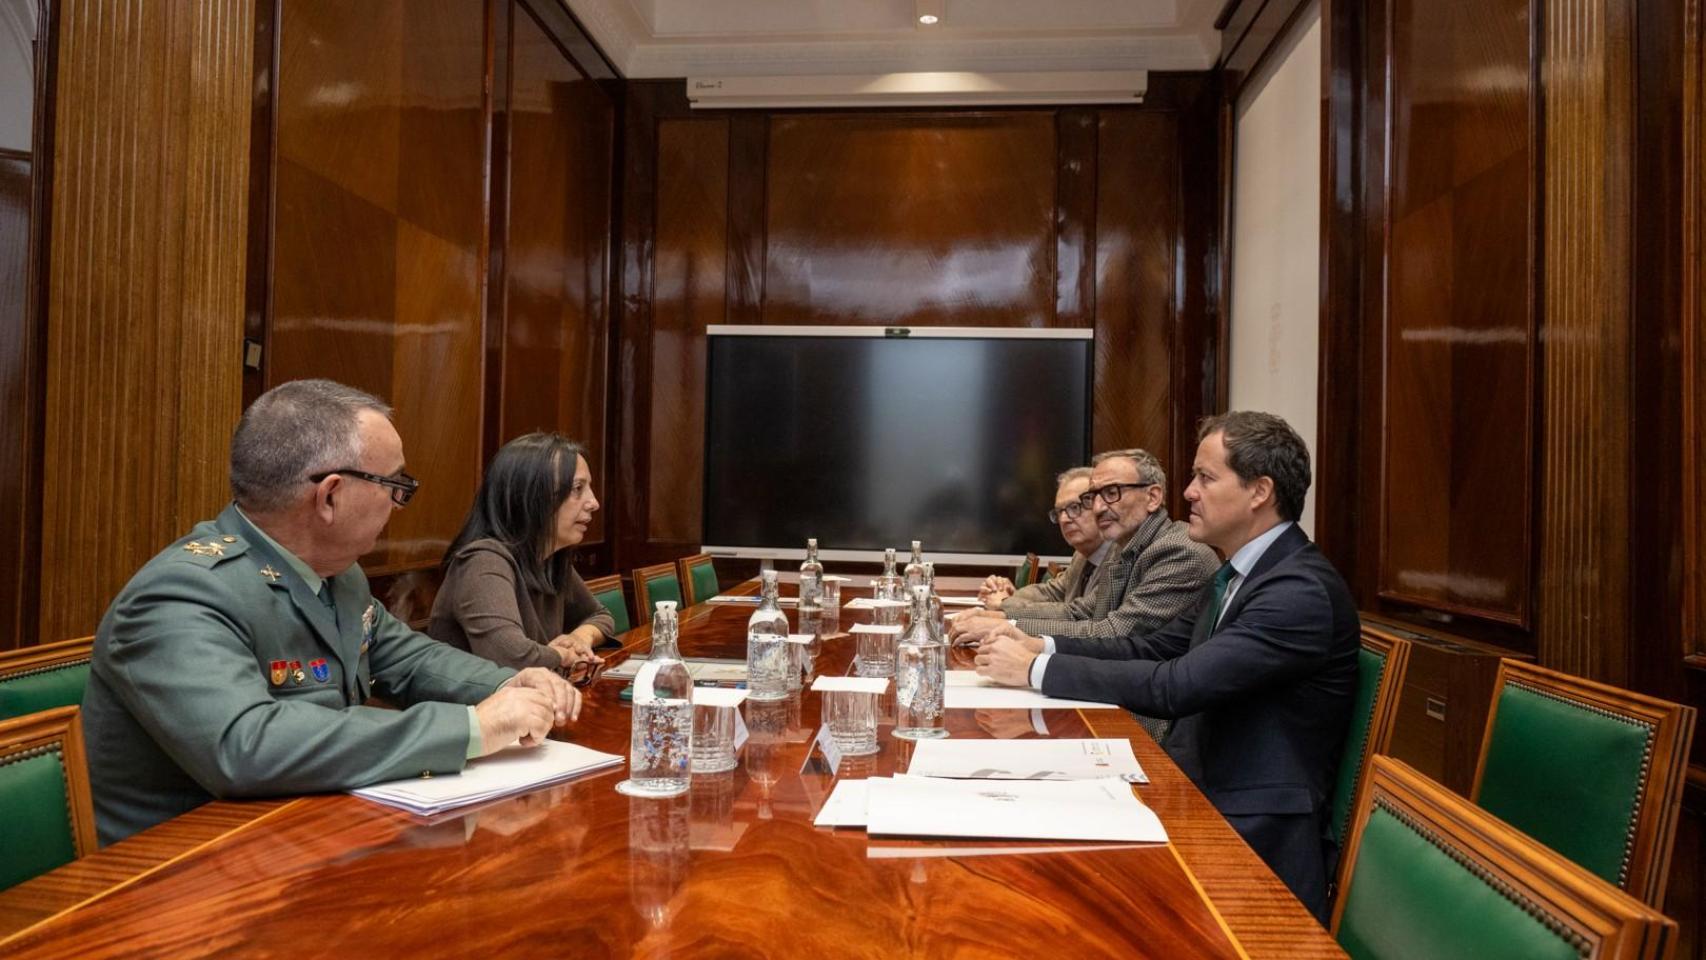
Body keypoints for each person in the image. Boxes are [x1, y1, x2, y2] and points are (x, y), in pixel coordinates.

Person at [81, 380, 581, 845]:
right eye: (395, 485)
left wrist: (505, 686)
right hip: (176, 877)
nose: (399, 504)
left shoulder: (338, 576)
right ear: (330, 496)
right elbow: (247, 745)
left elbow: (408, 657)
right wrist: (471, 728)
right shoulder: (183, 593)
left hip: (297, 837)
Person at [973, 412, 1358, 921]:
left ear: (1259, 491)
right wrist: (1038, 646)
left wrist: (1034, 672)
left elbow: (1179, 685)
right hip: (1191, 785)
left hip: (1247, 830)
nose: (1189, 492)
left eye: (1205, 477)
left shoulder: (1296, 590)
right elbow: (1151, 647)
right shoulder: (1240, 572)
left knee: (1055, 895)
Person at [949, 448, 1218, 646]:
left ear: (1152, 497)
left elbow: (1116, 632)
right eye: (1094, 496)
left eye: (1112, 493)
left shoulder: (1179, 551)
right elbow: (1082, 612)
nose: (1099, 507)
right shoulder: (1126, 546)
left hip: (1142, 713)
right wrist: (1000, 618)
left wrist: (1007, 625)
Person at [428, 433, 617, 673]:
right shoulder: (483, 561)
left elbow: (600, 615)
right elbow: (512, 656)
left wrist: (580, 638)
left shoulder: (549, 557)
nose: (594, 502)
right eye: (577, 488)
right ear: (531, 496)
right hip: (477, 708)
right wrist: (562, 654)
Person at [975, 467, 1111, 613]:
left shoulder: (1120, 559)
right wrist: (1008, 594)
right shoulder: (1081, 556)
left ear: (1100, 506)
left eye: (1074, 507)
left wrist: (1005, 603)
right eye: (1060, 512)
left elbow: (1078, 613)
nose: (1064, 519)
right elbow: (1051, 591)